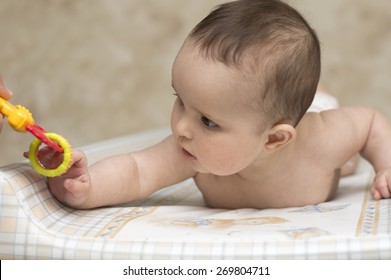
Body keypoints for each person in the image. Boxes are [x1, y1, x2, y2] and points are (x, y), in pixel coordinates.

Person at [35, 0, 391, 209]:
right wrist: (85, 186)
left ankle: (316, 93)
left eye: (207, 121)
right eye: (180, 101)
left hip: (316, 126)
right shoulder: (191, 152)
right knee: (277, 97)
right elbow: (137, 170)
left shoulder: (326, 138)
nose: (181, 129)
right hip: (274, 118)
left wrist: (385, 166)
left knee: (342, 157)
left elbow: (371, 123)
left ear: (273, 139)